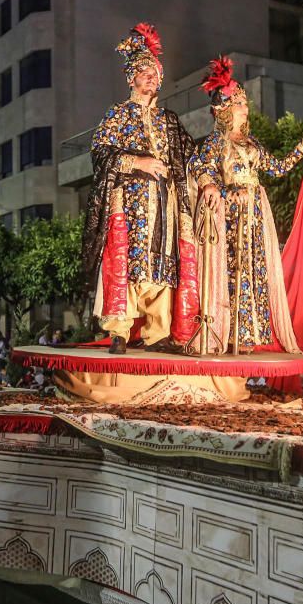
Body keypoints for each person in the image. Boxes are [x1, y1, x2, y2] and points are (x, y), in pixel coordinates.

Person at [82, 22, 198, 355]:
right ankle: (119, 331)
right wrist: (138, 162)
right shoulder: (117, 114)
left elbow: (192, 154)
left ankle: (158, 333)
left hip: (164, 203)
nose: (151, 76)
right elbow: (100, 151)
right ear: (131, 77)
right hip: (128, 201)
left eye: (155, 72)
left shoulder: (169, 119)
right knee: (125, 262)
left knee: (161, 263)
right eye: (144, 71)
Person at [189, 56, 303, 354]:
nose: (246, 109)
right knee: (230, 271)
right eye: (239, 103)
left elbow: (276, 168)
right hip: (229, 216)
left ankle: (247, 337)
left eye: (245, 104)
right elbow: (199, 167)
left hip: (255, 215)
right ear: (225, 110)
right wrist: (218, 188)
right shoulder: (214, 143)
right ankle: (225, 333)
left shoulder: (253, 144)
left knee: (253, 271)